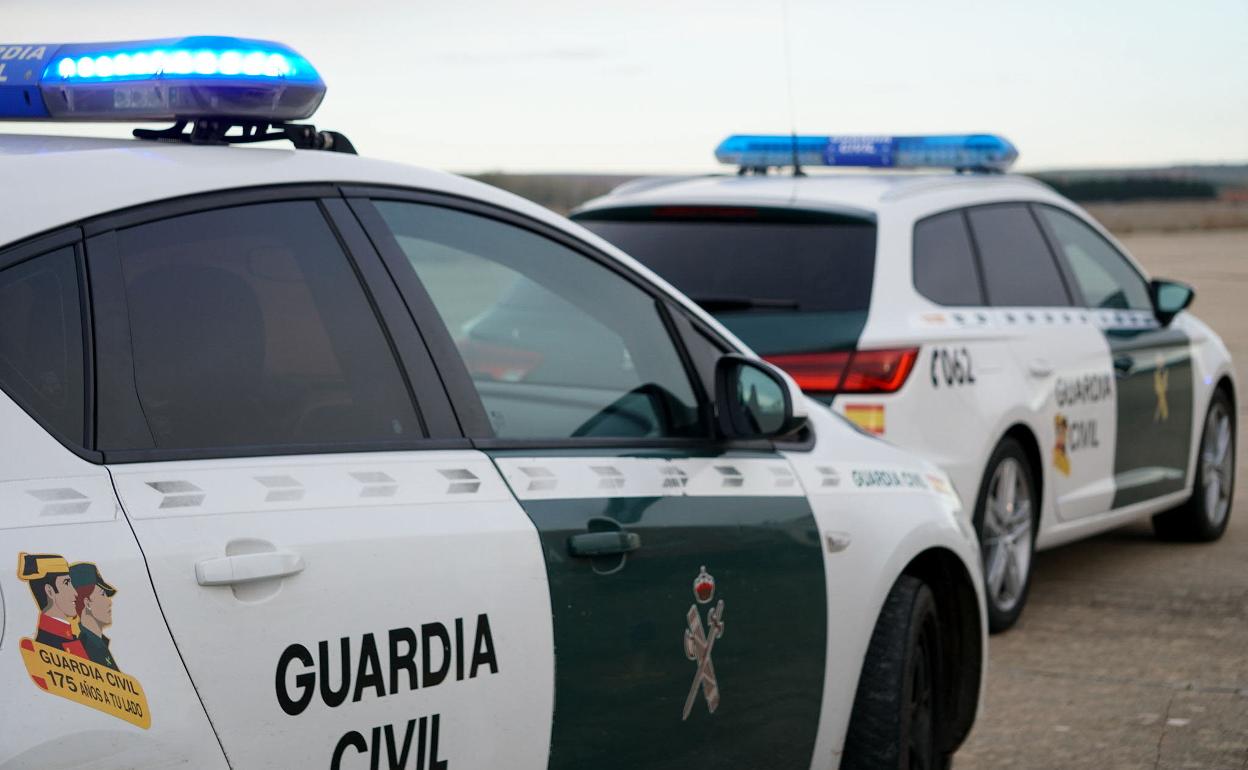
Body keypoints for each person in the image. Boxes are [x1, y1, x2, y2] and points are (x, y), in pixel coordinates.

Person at [16, 553, 87, 659]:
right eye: (66, 583)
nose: (75, 593)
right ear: (50, 591)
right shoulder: (49, 644)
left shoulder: (66, 636)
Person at [70, 562, 119, 671]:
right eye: (102, 594)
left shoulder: (98, 644)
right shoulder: (89, 649)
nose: (109, 602)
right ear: (87, 603)